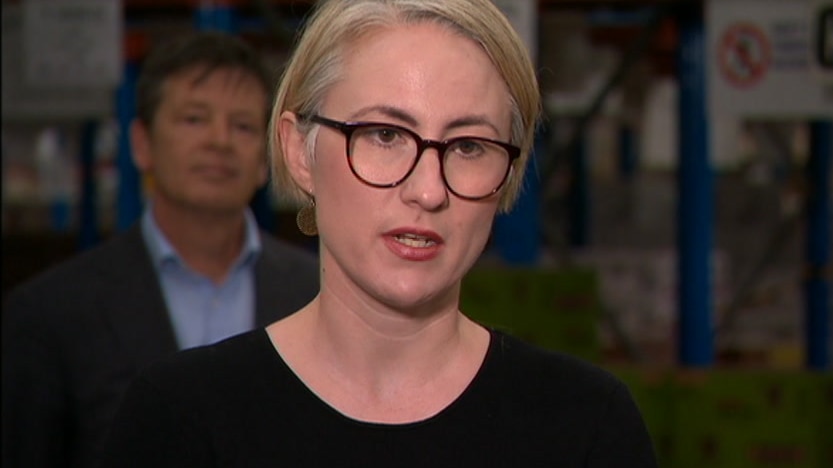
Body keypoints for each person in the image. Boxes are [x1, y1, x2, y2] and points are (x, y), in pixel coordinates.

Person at [98, 1, 658, 466]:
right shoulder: (179, 420)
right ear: (299, 151)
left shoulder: (586, 427)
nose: (428, 190)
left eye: (468, 147)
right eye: (385, 135)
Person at [1, 31, 319, 468]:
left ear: (267, 160)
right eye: (194, 119)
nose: (219, 141)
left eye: (242, 126)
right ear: (142, 144)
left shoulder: (320, 295)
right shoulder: (50, 315)